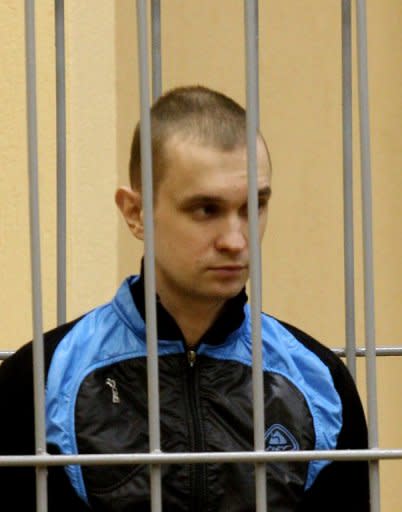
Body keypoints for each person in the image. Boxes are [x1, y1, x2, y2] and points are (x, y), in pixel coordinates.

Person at [0, 85, 369, 511]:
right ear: (136, 213)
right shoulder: (40, 379)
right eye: (206, 209)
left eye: (254, 206)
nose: (235, 239)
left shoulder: (320, 381)